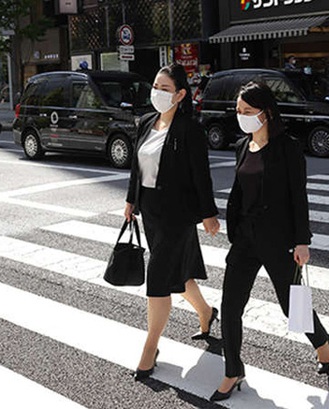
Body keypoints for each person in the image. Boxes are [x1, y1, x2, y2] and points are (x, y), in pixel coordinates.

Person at [210, 82, 329, 402]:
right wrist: (233, 228)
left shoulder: (288, 148)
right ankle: (232, 370)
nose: (241, 117)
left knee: (291, 305)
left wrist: (302, 241)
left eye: (247, 112)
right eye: (238, 111)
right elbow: (238, 193)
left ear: (266, 113)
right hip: (245, 240)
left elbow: (298, 197)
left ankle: (322, 343)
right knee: (230, 306)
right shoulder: (241, 146)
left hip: (278, 240)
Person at [124, 63, 221, 381]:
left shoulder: (189, 128)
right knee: (176, 274)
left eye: (164, 89)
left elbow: (200, 174)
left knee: (159, 277)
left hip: (177, 214)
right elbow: (137, 168)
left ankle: (150, 347)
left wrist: (208, 213)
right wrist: (130, 200)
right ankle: (206, 312)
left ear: (180, 94)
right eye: (155, 86)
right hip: (150, 210)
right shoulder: (146, 122)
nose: (157, 93)